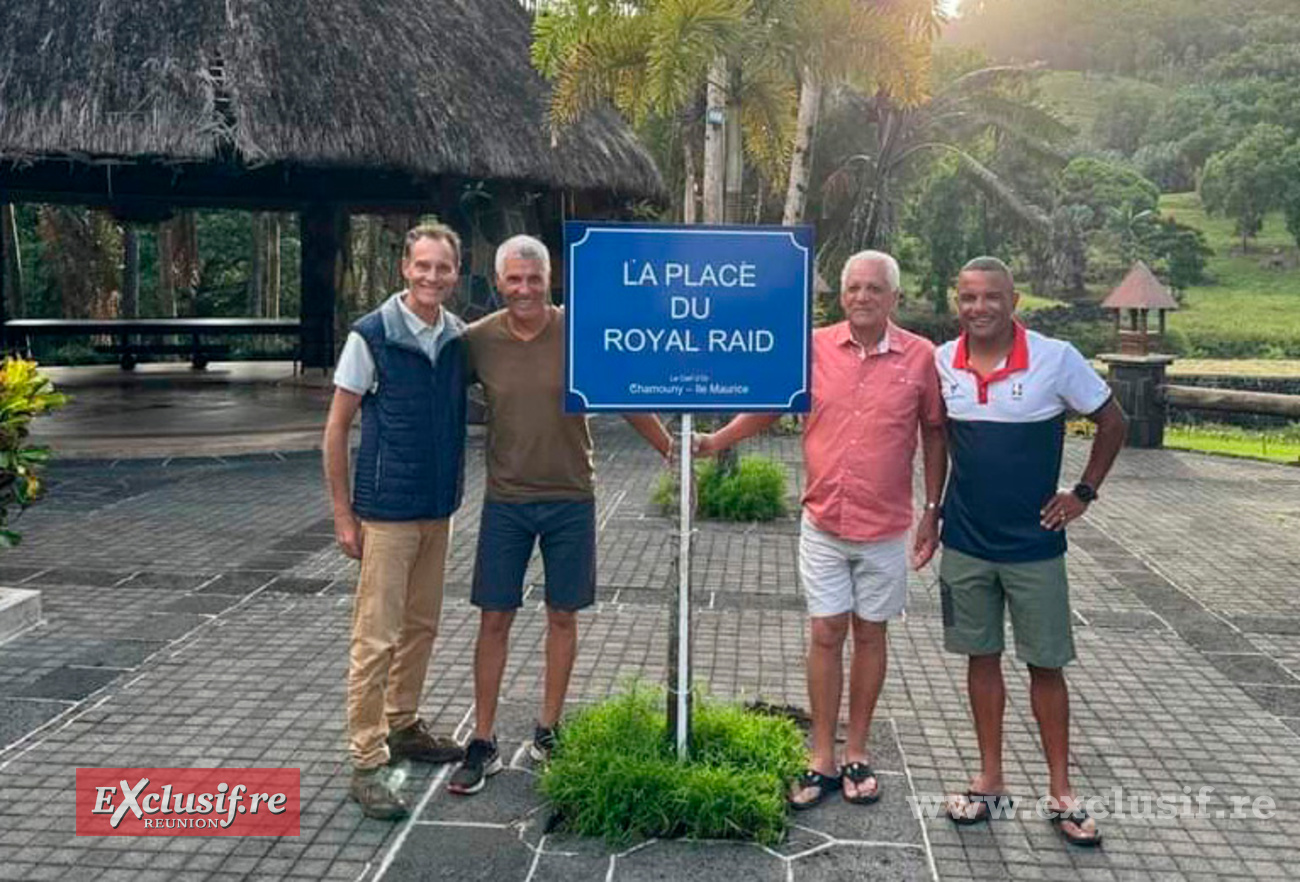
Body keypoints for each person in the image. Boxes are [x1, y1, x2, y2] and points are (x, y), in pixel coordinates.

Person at [695, 250, 947, 808]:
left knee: (872, 634)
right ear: (841, 295)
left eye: (874, 289)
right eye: (853, 288)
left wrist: (934, 508)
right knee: (825, 633)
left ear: (894, 299)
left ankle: (857, 751)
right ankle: (821, 757)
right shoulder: (813, 348)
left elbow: (934, 431)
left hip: (885, 527)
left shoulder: (921, 357)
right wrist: (717, 441)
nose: (862, 297)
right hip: (824, 522)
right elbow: (770, 409)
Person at [448, 234, 673, 795]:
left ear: (551, 280)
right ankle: (482, 738)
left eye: (534, 278)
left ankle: (549, 729)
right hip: (506, 500)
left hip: (572, 496)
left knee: (563, 616)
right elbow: (430, 394)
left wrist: (673, 450)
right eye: (514, 279)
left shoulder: (583, 328)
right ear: (498, 283)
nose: (524, 289)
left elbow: (625, 392)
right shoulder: (476, 341)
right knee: (493, 617)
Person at [937, 256, 1126, 846]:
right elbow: (935, 435)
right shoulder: (943, 361)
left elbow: (1113, 420)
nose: (980, 308)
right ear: (957, 303)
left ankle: (1063, 793)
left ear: (1014, 300)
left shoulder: (1056, 357)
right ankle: (990, 781)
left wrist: (1083, 493)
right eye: (968, 298)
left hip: (1034, 546)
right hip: (966, 542)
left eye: (992, 297)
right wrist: (930, 511)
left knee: (1046, 665)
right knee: (981, 659)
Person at [322, 223, 469, 820]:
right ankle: (366, 759)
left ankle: (403, 723)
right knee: (374, 638)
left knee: (422, 627)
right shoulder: (371, 336)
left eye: (443, 268)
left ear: (455, 274)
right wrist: (343, 514)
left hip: (438, 508)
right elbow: (335, 430)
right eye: (423, 266)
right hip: (385, 514)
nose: (432, 276)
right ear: (404, 268)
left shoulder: (459, 338)